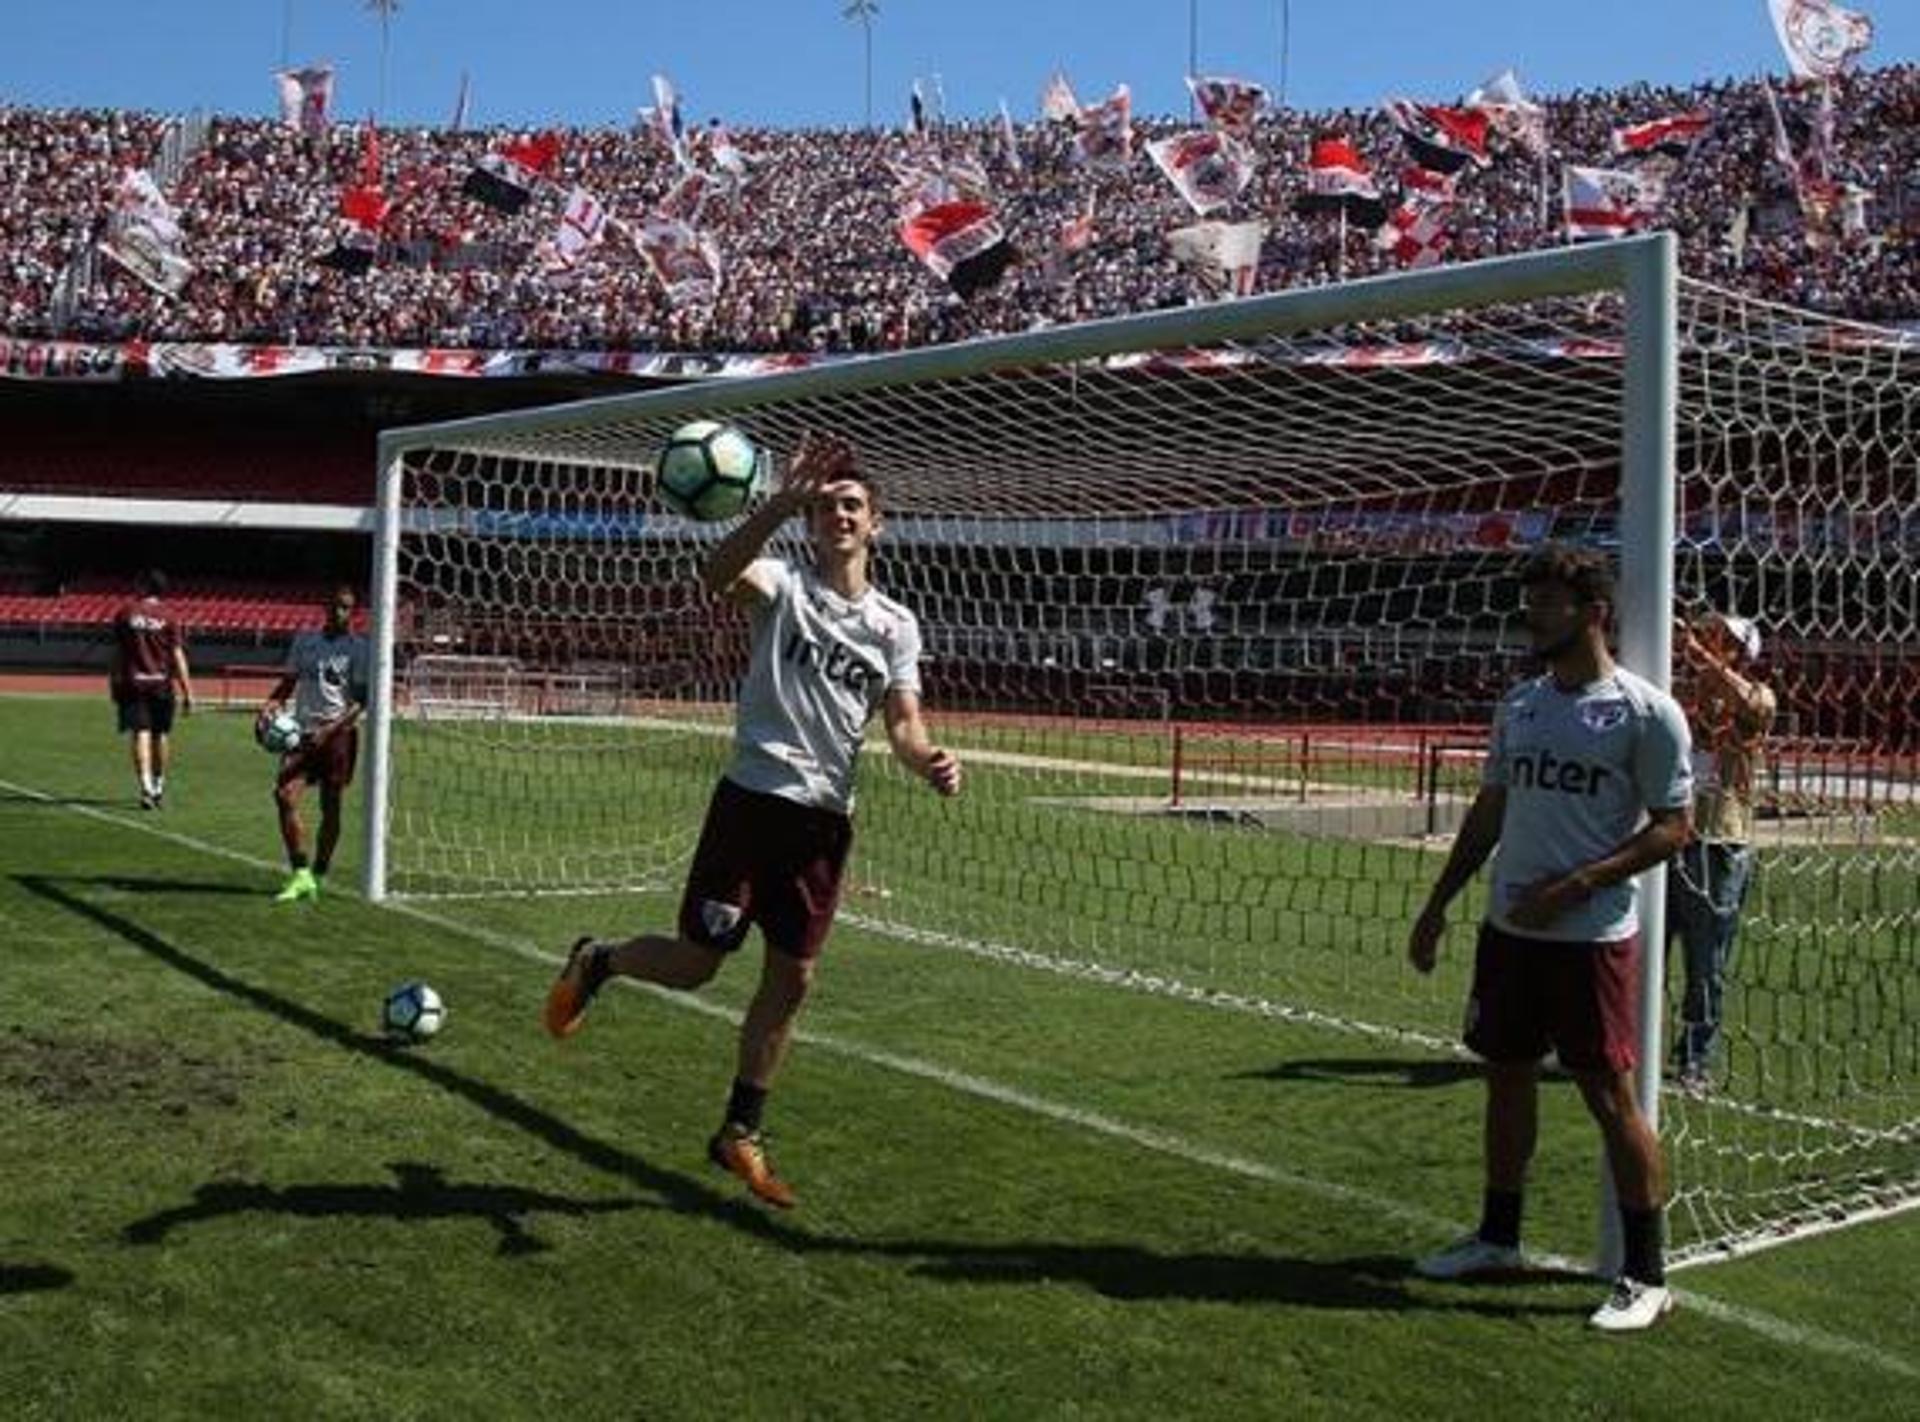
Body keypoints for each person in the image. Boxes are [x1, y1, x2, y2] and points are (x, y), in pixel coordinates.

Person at [543, 433, 962, 1209]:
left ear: (878, 524)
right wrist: (778, 501)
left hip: (824, 824)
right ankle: (599, 961)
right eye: (827, 505)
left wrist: (929, 759)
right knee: (699, 965)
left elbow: (903, 725)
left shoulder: (896, 625)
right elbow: (714, 573)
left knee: (794, 976)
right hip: (751, 803)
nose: (838, 514)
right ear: (809, 521)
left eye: (852, 505)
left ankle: (740, 1129)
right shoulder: (783, 583)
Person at [1406, 546, 1694, 1333]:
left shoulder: (1645, 711)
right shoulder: (1522, 704)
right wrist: (1438, 904)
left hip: (1591, 935)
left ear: (1592, 613)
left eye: (1548, 603)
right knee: (1505, 1075)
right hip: (1509, 933)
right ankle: (1498, 1236)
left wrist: (1578, 884)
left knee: (1608, 1095)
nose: (1532, 614)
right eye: (1529, 600)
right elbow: (1491, 811)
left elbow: (1676, 827)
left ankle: (1646, 1273)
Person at [1670, 612, 1776, 1090]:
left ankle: (1696, 1059)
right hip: (1667, 839)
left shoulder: (1758, 697)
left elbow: (1751, 703)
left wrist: (1698, 653)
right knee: (1640, 949)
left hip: (1719, 845)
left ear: (1743, 653)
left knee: (1706, 963)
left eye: (1724, 639)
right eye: (1708, 632)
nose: (1711, 640)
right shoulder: (1680, 698)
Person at [257, 586, 370, 904]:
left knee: (330, 806)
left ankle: (319, 872)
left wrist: (331, 730)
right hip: (301, 734)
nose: (340, 613)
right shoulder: (305, 642)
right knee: (284, 795)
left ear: (354, 611)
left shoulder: (360, 649)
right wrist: (271, 702)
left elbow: (360, 702)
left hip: (339, 737)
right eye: (335, 606)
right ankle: (301, 873)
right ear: (325, 607)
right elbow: (288, 683)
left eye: (346, 608)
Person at [109, 569, 194, 809]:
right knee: (161, 735)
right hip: (162, 685)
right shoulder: (170, 616)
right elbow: (178, 655)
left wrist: (113, 679)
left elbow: (118, 652)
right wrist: (188, 691)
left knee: (141, 733)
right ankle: (158, 785)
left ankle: (145, 786)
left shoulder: (125, 613)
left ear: (144, 586)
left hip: (133, 683)